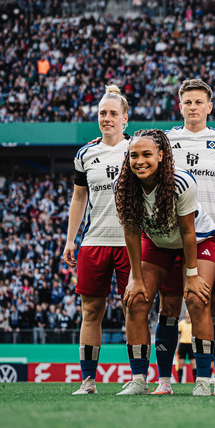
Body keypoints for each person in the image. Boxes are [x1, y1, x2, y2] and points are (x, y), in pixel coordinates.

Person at [155, 79, 215, 396]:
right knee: (168, 306)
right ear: (180, 106)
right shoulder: (166, 140)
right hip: (172, 237)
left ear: (209, 106)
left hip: (214, 234)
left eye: (198, 102)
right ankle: (164, 380)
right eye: (187, 102)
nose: (193, 107)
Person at [116, 129, 215, 396]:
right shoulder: (123, 185)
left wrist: (192, 275)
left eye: (146, 154)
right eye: (133, 155)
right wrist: (136, 278)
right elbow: (131, 232)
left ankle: (203, 381)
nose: (140, 161)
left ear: (161, 156)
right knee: (135, 300)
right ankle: (139, 380)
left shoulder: (181, 182)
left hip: (197, 241)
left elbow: (188, 231)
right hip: (158, 242)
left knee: (197, 300)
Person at [62, 85, 132, 396]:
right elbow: (79, 198)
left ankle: (138, 377)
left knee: (134, 310)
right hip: (94, 242)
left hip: (131, 243)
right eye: (102, 113)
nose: (107, 118)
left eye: (113, 113)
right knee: (91, 312)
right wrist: (70, 240)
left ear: (125, 119)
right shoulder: (85, 154)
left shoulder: (137, 149)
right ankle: (88, 381)